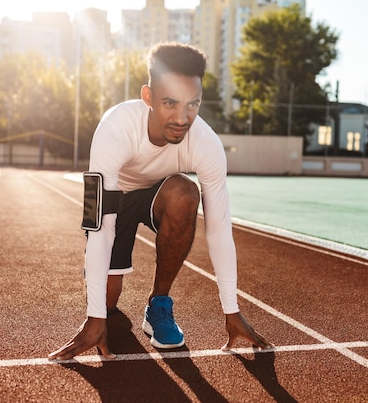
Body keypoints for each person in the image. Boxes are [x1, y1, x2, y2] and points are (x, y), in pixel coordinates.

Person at [49, 42, 271, 360]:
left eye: (192, 104)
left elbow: (220, 229)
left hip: (157, 193)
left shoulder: (206, 143)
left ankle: (159, 304)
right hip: (115, 197)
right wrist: (94, 317)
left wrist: (231, 310)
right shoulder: (113, 129)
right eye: (170, 103)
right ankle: (101, 310)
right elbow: (98, 222)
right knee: (108, 302)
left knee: (185, 194)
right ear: (148, 97)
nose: (182, 118)